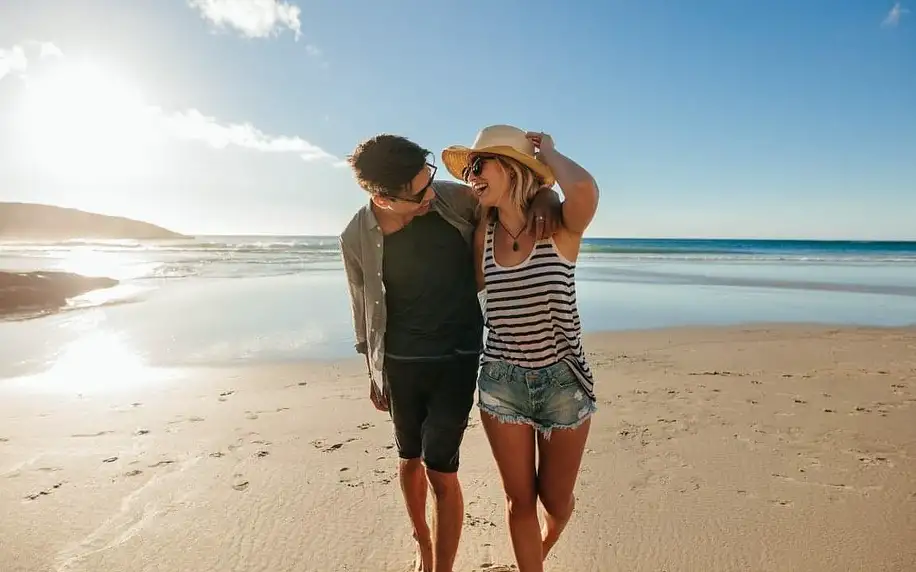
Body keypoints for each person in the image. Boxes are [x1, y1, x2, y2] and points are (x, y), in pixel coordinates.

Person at [339, 133, 561, 572]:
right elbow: (361, 306)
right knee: (408, 459)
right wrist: (373, 371)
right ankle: (422, 545)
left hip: (457, 356)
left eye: (430, 178)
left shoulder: (453, 200)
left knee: (442, 469)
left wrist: (544, 202)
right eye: (420, 191)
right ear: (384, 197)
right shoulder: (355, 237)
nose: (431, 193)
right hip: (400, 364)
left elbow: (519, 192)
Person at [440, 125, 600, 572]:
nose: (471, 176)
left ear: (511, 168)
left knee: (556, 499)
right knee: (519, 500)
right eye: (468, 168)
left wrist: (548, 152)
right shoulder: (483, 237)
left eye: (479, 165)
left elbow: (584, 188)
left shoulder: (562, 226)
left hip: (563, 382)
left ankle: (549, 538)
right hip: (501, 382)